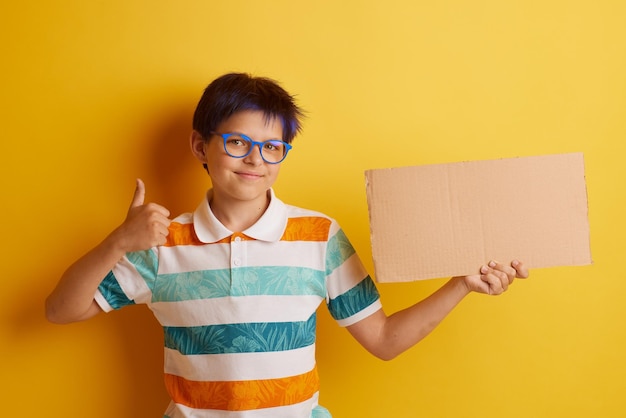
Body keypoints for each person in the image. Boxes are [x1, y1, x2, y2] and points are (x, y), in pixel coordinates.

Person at [45, 72, 529, 418]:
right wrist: (117, 243)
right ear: (200, 147)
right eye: (237, 142)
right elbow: (60, 310)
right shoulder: (159, 244)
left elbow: (383, 341)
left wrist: (461, 285)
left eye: (272, 147)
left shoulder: (319, 236)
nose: (255, 159)